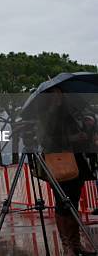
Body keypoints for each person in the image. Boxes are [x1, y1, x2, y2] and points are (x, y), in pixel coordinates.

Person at [38, 88, 97, 256]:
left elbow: (82, 133)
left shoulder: (72, 113)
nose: (59, 97)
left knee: (74, 202)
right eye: (55, 94)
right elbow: (45, 140)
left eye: (61, 94)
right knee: (62, 203)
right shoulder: (45, 116)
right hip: (58, 163)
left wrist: (87, 130)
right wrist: (71, 139)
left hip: (77, 162)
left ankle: (76, 244)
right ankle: (67, 245)